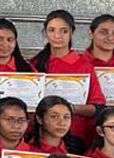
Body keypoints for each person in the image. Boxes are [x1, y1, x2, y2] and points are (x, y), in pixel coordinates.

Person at [31, 10, 105, 146]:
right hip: (40, 136)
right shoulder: (34, 64)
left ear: (72, 32)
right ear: (45, 32)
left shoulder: (84, 66)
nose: (57, 36)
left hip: (74, 136)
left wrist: (71, 108)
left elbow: (98, 107)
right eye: (52, 30)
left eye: (64, 31)